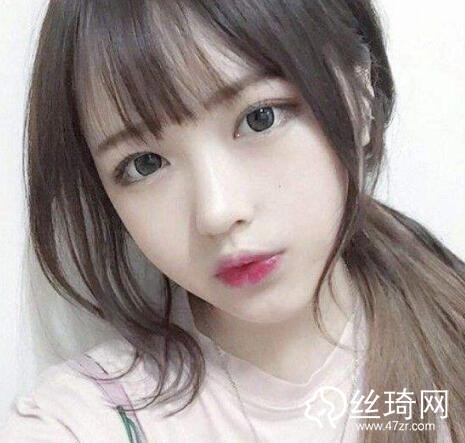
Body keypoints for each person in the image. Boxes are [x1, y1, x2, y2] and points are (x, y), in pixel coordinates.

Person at [2, 0, 464, 442]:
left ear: (359, 98)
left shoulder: (446, 329)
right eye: (145, 164)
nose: (217, 212)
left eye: (260, 118)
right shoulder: (88, 421)